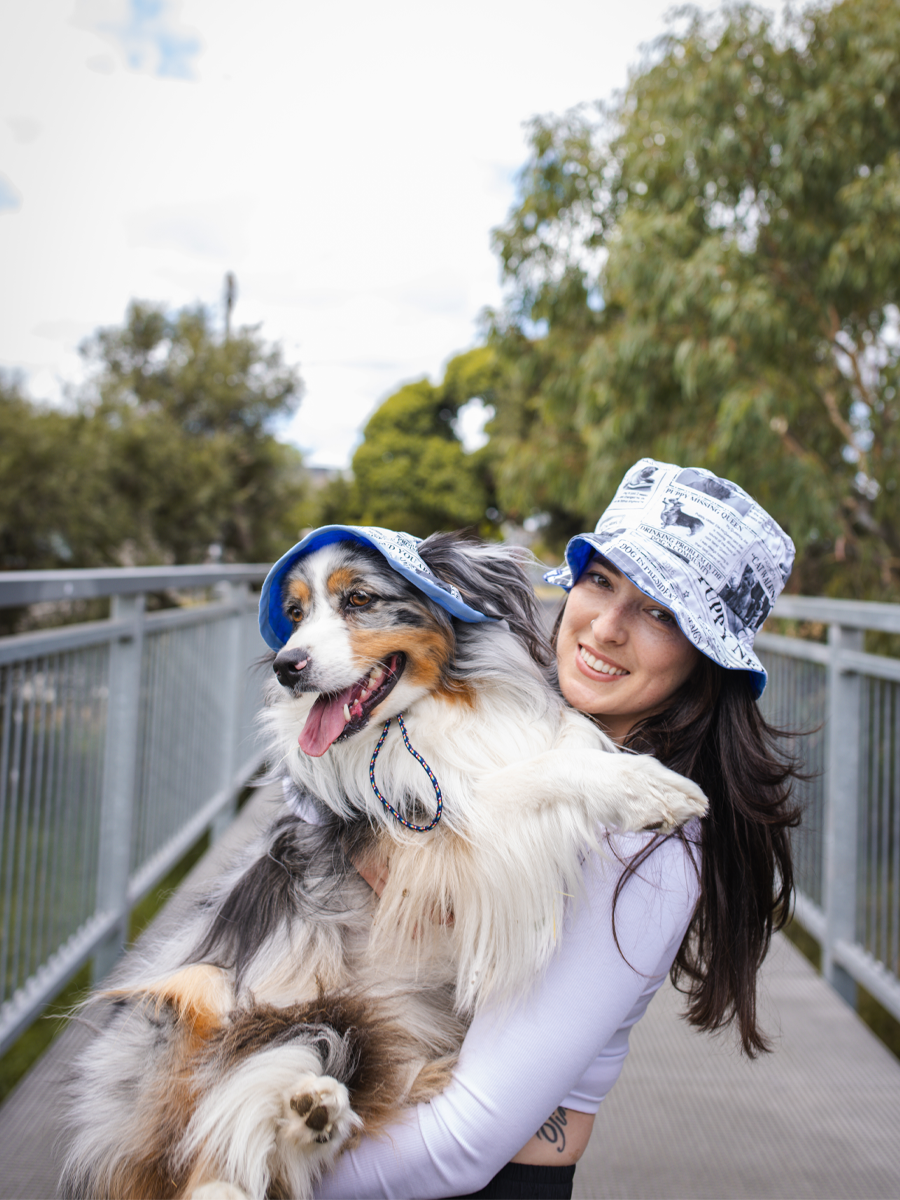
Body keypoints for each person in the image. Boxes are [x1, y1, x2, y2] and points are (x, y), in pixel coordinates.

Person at [313, 458, 802, 1200]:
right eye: (601, 581)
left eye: (661, 613)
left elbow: (466, 1142)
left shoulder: (646, 843)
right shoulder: (524, 734)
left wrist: (249, 1185)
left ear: (707, 660)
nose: (605, 628)